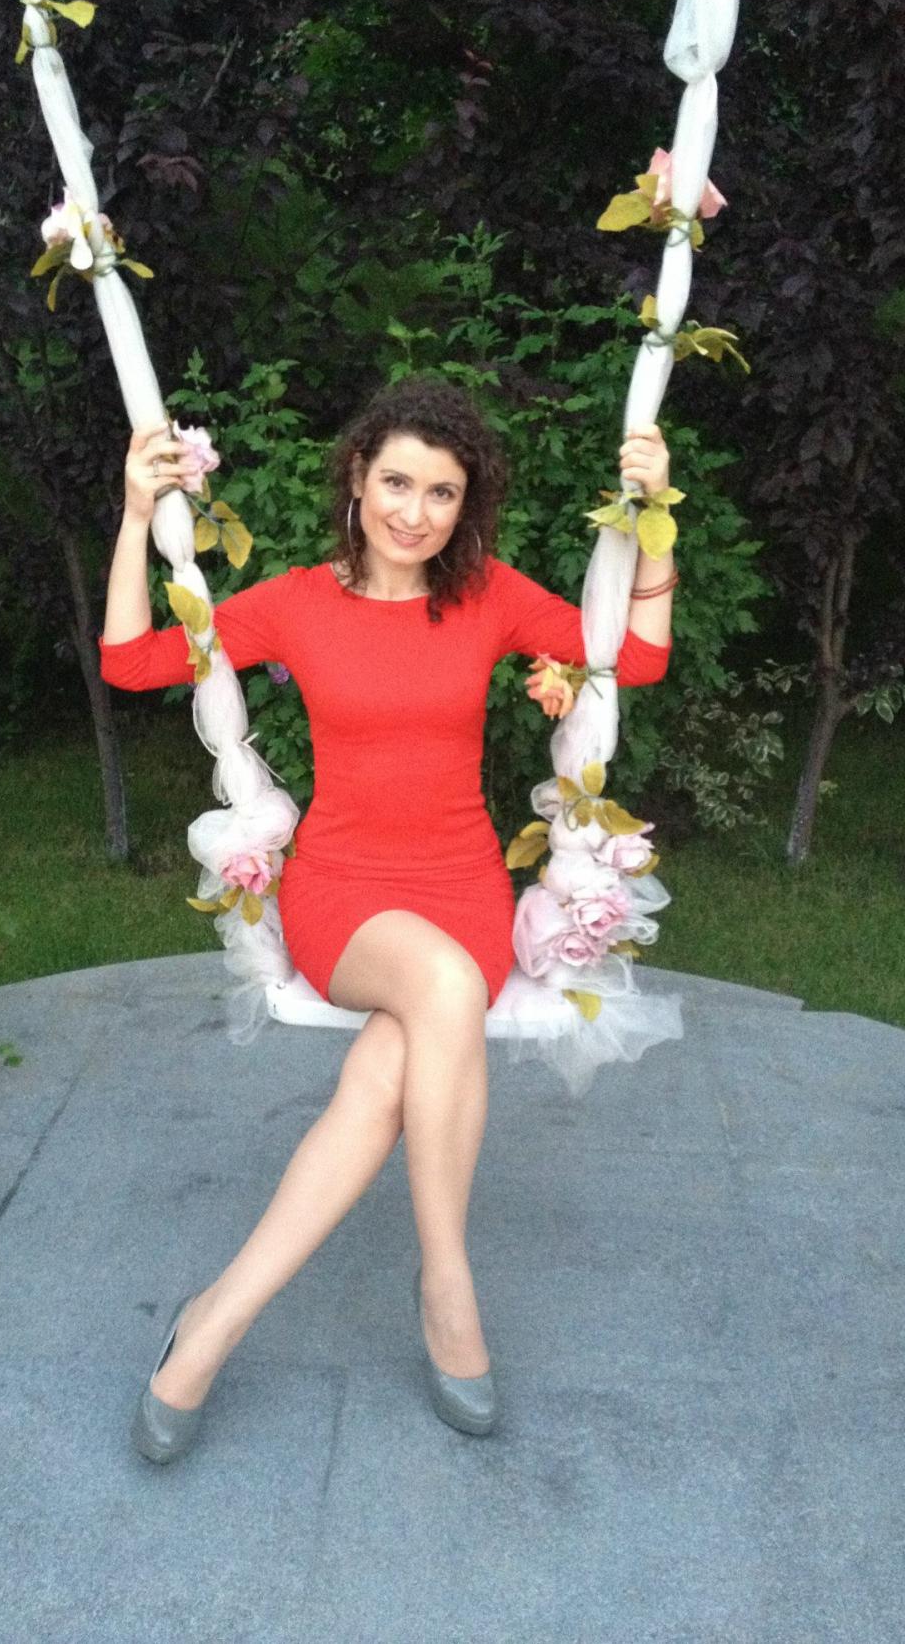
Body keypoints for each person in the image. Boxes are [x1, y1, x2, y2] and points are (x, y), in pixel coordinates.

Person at [99, 375, 674, 1456]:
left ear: (466, 505)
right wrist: (137, 516)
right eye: (398, 483)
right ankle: (447, 1284)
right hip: (343, 893)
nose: (416, 512)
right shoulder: (295, 604)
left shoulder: (488, 597)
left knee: (383, 1077)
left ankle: (211, 1323)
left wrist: (654, 524)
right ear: (358, 478)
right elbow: (132, 661)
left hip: (462, 888)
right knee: (443, 988)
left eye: (442, 492)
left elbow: (630, 655)